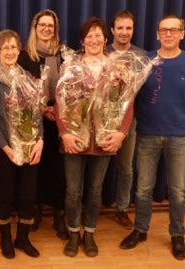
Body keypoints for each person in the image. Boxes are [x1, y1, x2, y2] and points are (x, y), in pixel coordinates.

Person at [120, 14, 185, 260]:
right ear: (157, 34)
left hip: (180, 137)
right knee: (143, 188)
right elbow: (131, 95)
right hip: (147, 134)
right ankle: (140, 229)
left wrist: (179, 117)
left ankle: (177, 234)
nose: (168, 34)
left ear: (182, 33)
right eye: (164, 30)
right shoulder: (146, 61)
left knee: (178, 190)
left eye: (173, 30)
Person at [55, 17, 133, 257]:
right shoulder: (71, 65)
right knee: (73, 190)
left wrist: (121, 132)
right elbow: (60, 102)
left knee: (96, 189)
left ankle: (89, 232)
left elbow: (127, 103)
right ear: (82, 40)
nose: (94, 39)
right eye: (89, 35)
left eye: (98, 35)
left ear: (105, 39)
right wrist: (64, 133)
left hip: (104, 139)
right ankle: (73, 233)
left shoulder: (116, 66)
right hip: (74, 138)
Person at [0, 29, 43, 259]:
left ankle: (23, 238)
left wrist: (40, 141)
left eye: (14, 47)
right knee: (5, 195)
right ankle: (5, 238)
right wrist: (7, 148)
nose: (10, 51)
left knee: (28, 195)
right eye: (5, 47)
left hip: (28, 147)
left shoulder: (27, 76)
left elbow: (36, 114)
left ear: (20, 51)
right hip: (3, 149)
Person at [17, 9, 68, 238]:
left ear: (55, 29)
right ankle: (34, 209)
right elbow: (17, 91)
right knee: (33, 165)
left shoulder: (64, 55)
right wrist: (39, 108)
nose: (46, 29)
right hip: (31, 118)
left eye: (51, 25)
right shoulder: (23, 56)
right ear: (35, 28)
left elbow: (72, 90)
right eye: (42, 25)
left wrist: (56, 110)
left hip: (59, 117)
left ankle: (59, 213)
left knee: (58, 168)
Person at [106, 10, 146, 229]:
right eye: (119, 28)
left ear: (133, 30)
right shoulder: (101, 52)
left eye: (128, 28)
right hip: (100, 120)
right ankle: (91, 204)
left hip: (128, 120)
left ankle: (121, 208)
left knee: (126, 167)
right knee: (96, 167)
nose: (123, 32)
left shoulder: (141, 56)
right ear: (112, 30)